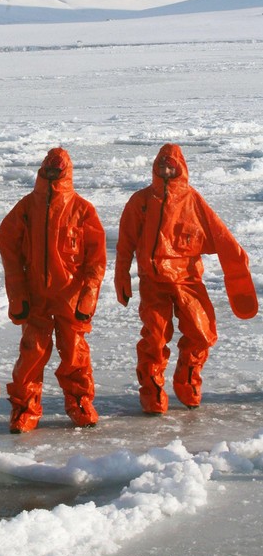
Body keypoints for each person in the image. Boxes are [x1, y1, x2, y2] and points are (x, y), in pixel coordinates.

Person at [115, 143, 258, 413]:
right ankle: (153, 392)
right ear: (155, 168)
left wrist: (237, 267)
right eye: (161, 166)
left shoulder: (193, 201)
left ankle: (188, 379)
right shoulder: (141, 201)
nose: (166, 170)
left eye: (171, 166)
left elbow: (221, 236)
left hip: (188, 280)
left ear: (180, 168)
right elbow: (125, 242)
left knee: (203, 333)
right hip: (153, 281)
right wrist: (122, 274)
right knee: (155, 339)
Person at [0, 147, 106, 432]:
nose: (52, 174)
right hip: (36, 297)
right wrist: (17, 290)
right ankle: (24, 410)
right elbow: (6, 240)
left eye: (57, 170)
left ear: (66, 173)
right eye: (48, 169)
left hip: (70, 298)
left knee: (75, 354)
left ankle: (81, 403)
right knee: (31, 354)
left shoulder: (82, 209)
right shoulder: (26, 207)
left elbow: (96, 258)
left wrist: (88, 294)